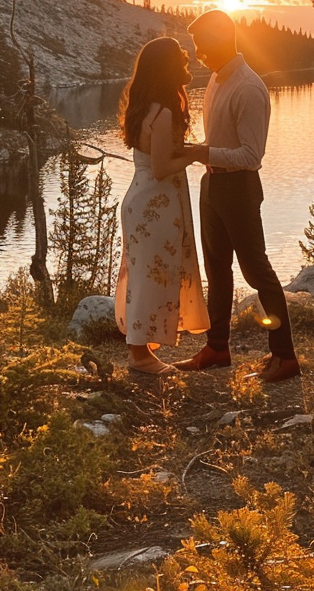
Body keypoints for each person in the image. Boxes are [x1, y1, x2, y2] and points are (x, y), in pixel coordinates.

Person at [175, 9, 300, 382]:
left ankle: (285, 356)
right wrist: (202, 153)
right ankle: (217, 348)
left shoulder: (248, 88)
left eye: (203, 43)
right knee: (217, 270)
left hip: (240, 189)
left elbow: (251, 156)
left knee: (256, 271)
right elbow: (219, 142)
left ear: (222, 40)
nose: (198, 52)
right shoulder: (216, 80)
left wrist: (202, 153)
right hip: (213, 185)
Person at [115, 37, 209, 375]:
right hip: (155, 201)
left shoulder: (147, 106)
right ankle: (139, 356)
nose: (187, 65)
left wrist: (188, 152)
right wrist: (197, 155)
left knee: (145, 274)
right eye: (181, 61)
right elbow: (161, 167)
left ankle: (143, 344)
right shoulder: (164, 110)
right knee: (151, 276)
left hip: (141, 199)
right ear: (167, 68)